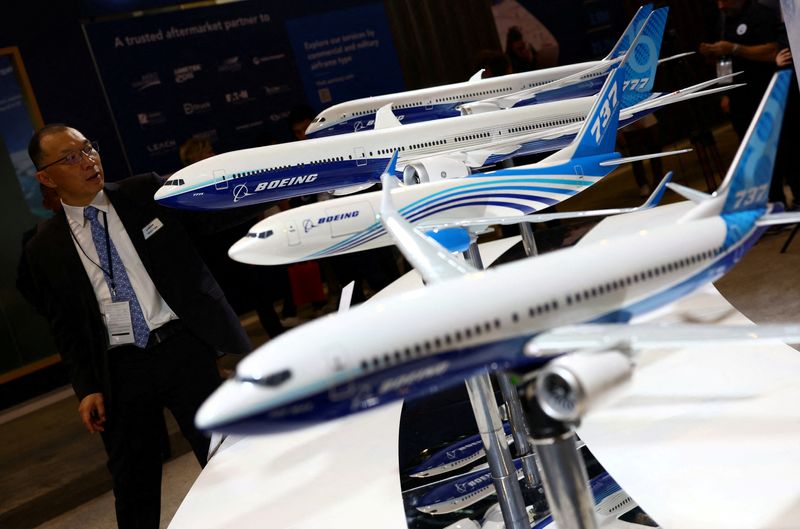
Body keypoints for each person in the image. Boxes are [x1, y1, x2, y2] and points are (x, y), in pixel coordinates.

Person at [17, 125, 252, 529]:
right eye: (70, 157)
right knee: (134, 485)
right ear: (45, 177)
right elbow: (66, 326)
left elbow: (214, 216)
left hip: (183, 348)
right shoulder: (44, 247)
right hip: (120, 370)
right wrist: (86, 386)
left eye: (88, 148)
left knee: (228, 457)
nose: (88, 161)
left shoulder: (147, 194)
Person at [699, 0, 780, 139]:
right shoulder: (724, 20)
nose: (720, 6)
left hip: (764, 90)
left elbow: (773, 52)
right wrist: (725, 92)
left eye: (724, 1)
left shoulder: (760, 13)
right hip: (739, 100)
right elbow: (724, 59)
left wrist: (735, 49)